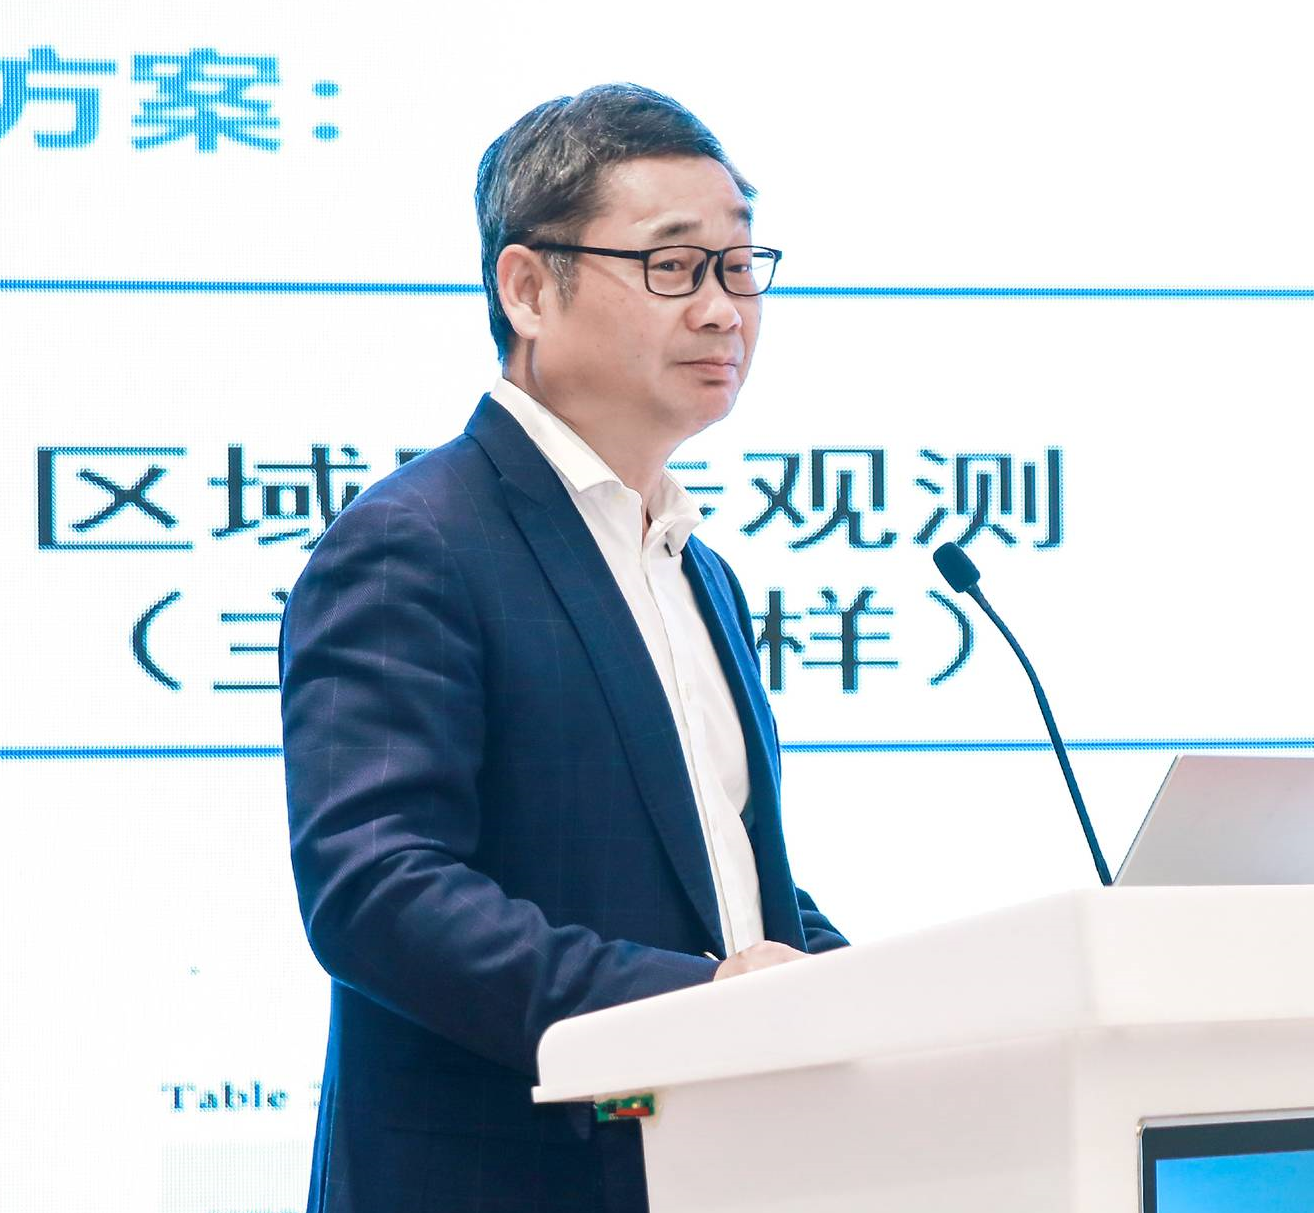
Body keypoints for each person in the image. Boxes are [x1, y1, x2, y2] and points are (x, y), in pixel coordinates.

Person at [280, 83, 848, 1213]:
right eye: (674, 266)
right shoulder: (415, 542)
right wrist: (694, 1002)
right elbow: (376, 891)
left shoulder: (692, 563)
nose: (723, 311)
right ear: (529, 289)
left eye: (741, 266)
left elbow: (722, 886)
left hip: (713, 1173)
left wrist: (875, 995)